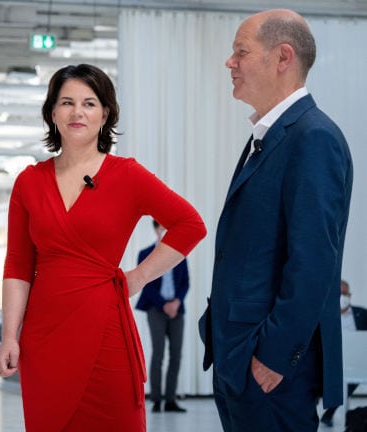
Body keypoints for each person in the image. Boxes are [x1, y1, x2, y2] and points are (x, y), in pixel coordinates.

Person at [0, 63, 206, 431]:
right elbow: (17, 265)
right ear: (53, 113)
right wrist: (9, 336)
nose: (77, 112)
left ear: (105, 114)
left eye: (89, 103)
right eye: (67, 102)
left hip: (104, 327)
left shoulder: (128, 175)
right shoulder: (29, 182)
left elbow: (190, 225)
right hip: (44, 334)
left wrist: (138, 277)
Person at [199, 9, 353, 432]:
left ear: (283, 57)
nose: (230, 62)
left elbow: (313, 261)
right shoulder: (270, 136)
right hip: (238, 356)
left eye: (241, 52)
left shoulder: (313, 137)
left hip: (270, 369)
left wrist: (274, 356)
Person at [135, 220, 189, 413]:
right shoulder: (145, 254)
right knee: (158, 353)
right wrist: (164, 305)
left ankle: (170, 400)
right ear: (156, 230)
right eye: (163, 229)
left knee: (176, 354)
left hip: (177, 310)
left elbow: (185, 282)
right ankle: (157, 399)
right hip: (156, 309)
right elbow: (145, 284)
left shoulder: (179, 254)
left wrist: (176, 302)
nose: (166, 232)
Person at [320, 280, 367, 427]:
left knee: (353, 377)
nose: (342, 297)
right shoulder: (324, 315)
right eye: (338, 293)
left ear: (350, 295)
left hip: (355, 360)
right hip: (330, 359)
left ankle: (330, 412)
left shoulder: (362, 314)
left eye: (345, 294)